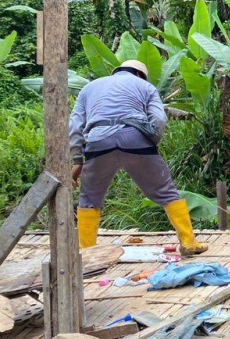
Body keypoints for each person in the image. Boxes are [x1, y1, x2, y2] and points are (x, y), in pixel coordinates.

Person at [69, 59, 208, 256]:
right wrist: (150, 144)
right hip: (136, 138)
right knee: (166, 191)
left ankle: (85, 253)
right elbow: (159, 119)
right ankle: (188, 242)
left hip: (98, 141)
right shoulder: (146, 86)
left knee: (89, 199)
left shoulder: (88, 88)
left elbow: (74, 126)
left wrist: (77, 160)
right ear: (139, 75)